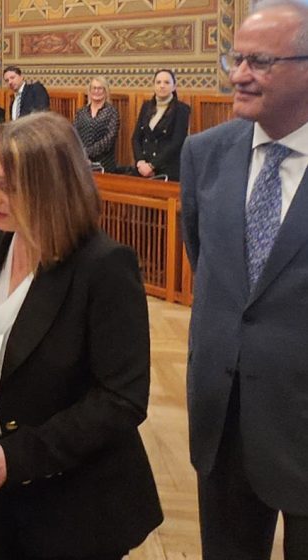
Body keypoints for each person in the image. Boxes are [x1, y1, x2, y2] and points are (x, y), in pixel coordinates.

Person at [0, 111, 163, 560]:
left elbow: (122, 398)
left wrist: (22, 456)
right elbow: (12, 326)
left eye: (7, 185)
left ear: (52, 186)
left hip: (76, 496)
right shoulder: (3, 233)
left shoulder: (104, 266)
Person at [181, 0, 308, 556]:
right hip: (224, 419)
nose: (238, 74)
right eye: (236, 58)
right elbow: (209, 262)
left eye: (259, 61)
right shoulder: (203, 153)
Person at [131, 69, 190, 180]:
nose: (162, 86)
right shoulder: (146, 106)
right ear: (154, 85)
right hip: (142, 169)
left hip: (167, 170)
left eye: (167, 82)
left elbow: (177, 142)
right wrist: (140, 162)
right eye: (158, 82)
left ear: (174, 86)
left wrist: (152, 165)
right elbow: (136, 138)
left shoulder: (182, 109)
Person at [73, 76, 120, 172]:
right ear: (89, 91)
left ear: (105, 91)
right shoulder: (81, 112)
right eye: (94, 88)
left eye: (100, 88)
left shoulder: (112, 112)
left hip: (104, 163)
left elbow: (108, 140)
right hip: (81, 161)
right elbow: (73, 134)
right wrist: (80, 154)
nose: (96, 91)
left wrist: (86, 153)